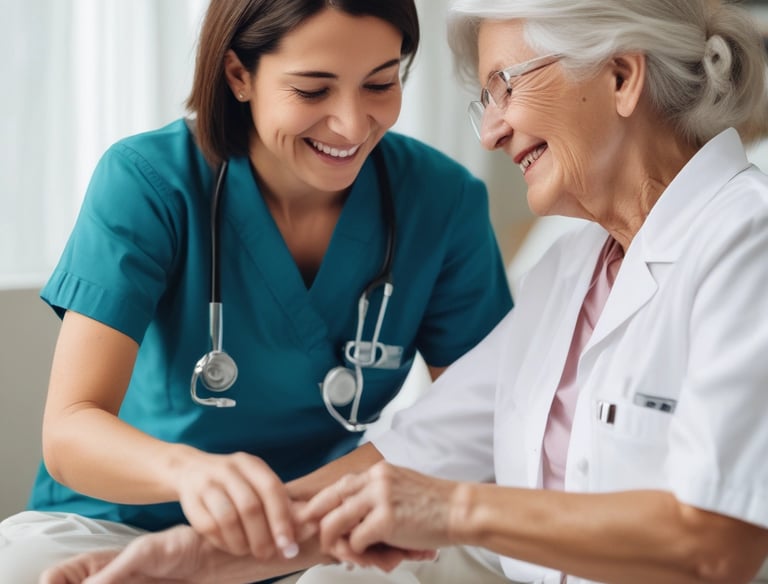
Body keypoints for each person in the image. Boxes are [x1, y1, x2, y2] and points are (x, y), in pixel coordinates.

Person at [37, 0, 768, 582]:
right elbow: (404, 459)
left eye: (505, 86)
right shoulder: (569, 273)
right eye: (484, 97)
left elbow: (718, 543)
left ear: (620, 75)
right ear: (239, 75)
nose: (490, 131)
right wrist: (190, 563)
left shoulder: (746, 240)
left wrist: (449, 509)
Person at [0, 1, 514, 582]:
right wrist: (189, 473)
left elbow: (484, 428)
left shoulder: (442, 203)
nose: (351, 123)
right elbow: (69, 430)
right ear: (238, 75)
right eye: (313, 91)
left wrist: (319, 519)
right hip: (116, 524)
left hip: (320, 527)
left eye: (380, 83)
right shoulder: (148, 182)